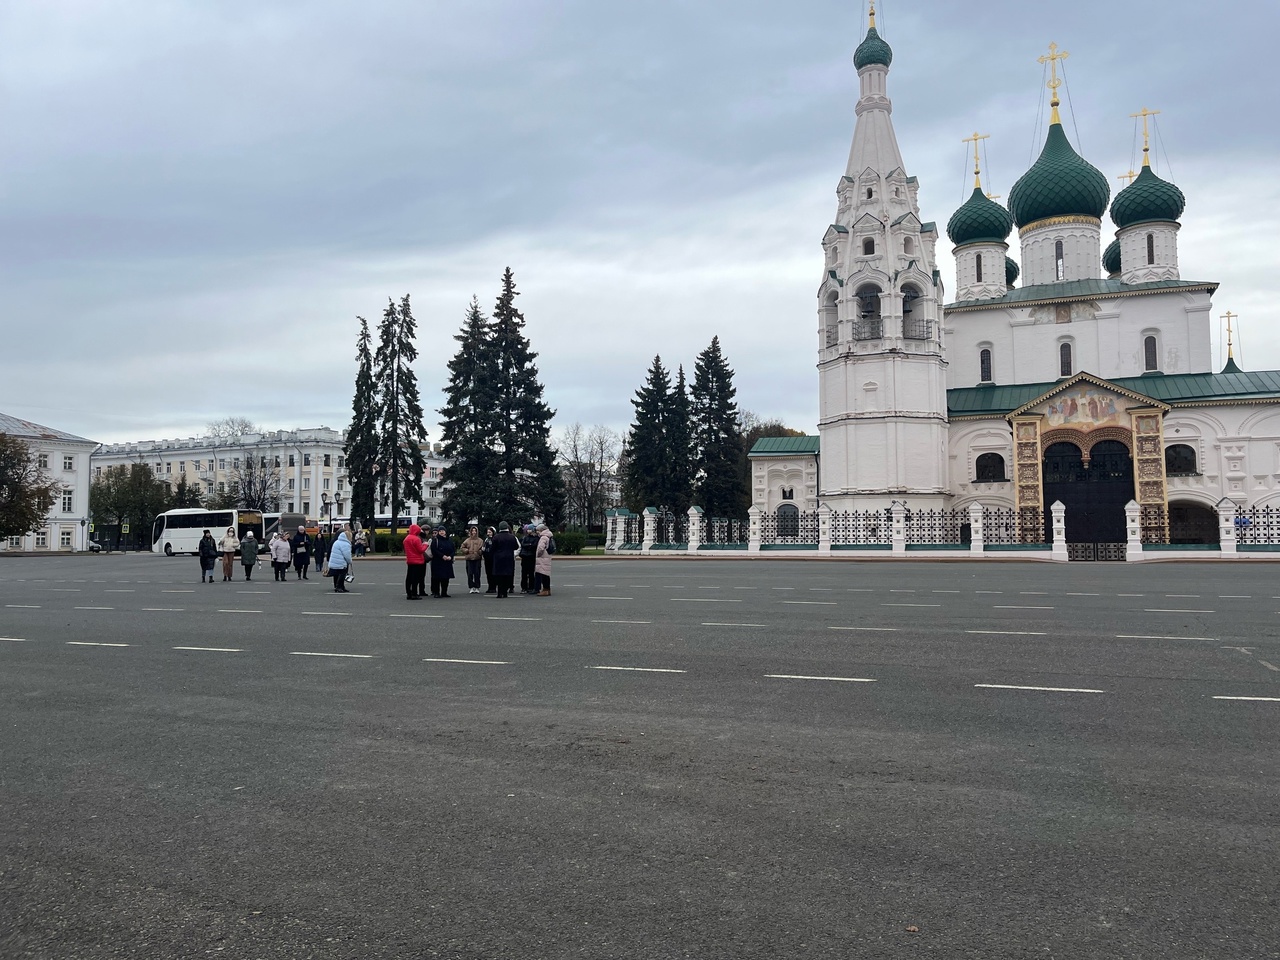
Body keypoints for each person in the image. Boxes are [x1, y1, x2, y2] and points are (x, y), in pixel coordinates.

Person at [489, 521, 519, 598]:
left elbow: (492, 549)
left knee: (499, 576)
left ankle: (499, 593)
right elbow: (516, 547)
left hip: (498, 559)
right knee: (507, 575)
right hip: (509, 558)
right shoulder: (512, 537)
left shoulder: (496, 537)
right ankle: (505, 593)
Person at [429, 525, 456, 598]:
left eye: (443, 531)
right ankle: (436, 593)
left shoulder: (449, 540)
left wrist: (451, 556)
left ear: (445, 532)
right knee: (437, 578)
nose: (441, 532)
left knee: (446, 578)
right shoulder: (435, 540)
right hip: (438, 562)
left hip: (447, 562)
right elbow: (434, 550)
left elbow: (453, 550)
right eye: (440, 531)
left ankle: (444, 592)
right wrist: (442, 556)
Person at [403, 522, 427, 600]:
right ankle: (414, 593)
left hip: (410, 560)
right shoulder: (416, 539)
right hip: (417, 560)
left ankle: (408, 593)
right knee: (415, 578)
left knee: (409, 577)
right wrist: (425, 545)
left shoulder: (406, 538)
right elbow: (421, 550)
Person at [459, 526, 484, 595]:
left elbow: (483, 548)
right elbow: (462, 547)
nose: (474, 532)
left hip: (477, 559)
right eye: (472, 531)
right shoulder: (467, 540)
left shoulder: (480, 540)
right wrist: (466, 551)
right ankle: (471, 587)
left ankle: (477, 587)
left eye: (475, 531)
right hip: (469, 559)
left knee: (477, 573)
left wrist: (480, 552)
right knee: (470, 574)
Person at [534, 523, 554, 596]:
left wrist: (538, 555)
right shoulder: (549, 536)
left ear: (541, 530)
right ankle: (547, 589)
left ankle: (545, 590)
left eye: (538, 530)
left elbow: (540, 548)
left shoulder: (543, 537)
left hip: (542, 558)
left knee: (543, 574)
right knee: (546, 574)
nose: (537, 532)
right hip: (547, 557)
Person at [519, 524, 538, 595]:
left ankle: (531, 587)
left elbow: (534, 546)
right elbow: (523, 545)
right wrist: (529, 545)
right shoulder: (525, 537)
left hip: (531, 557)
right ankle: (524, 587)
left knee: (531, 573)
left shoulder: (536, 538)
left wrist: (529, 545)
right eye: (528, 529)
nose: (528, 530)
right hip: (524, 557)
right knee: (524, 573)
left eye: (530, 529)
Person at [482, 526, 496, 593]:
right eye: (488, 532)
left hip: (493, 559)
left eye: (490, 532)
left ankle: (493, 587)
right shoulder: (486, 539)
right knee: (488, 573)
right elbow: (484, 547)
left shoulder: (494, 539)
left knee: (493, 573)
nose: (488, 533)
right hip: (487, 559)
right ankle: (490, 586)